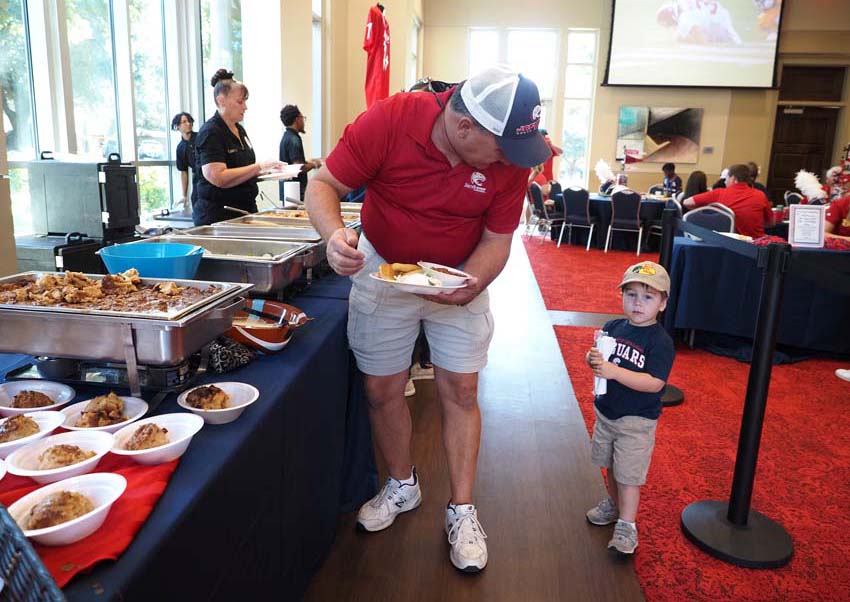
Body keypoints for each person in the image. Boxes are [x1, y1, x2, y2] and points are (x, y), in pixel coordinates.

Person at [304, 65, 551, 572]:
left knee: (461, 391)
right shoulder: (390, 121)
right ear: (465, 129)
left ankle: (461, 509)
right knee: (381, 389)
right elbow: (322, 184)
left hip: (460, 274)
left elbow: (497, 242)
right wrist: (333, 236)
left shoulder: (510, 159)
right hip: (382, 265)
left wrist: (472, 282)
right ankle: (402, 484)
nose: (510, 161)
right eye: (503, 149)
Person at [585, 261, 675, 555]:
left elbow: (654, 384)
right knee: (609, 464)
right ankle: (613, 505)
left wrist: (613, 372)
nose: (638, 303)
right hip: (607, 411)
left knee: (629, 475)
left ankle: (627, 524)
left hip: (636, 421)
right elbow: (602, 360)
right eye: (631, 294)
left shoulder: (660, 342)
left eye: (648, 297)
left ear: (662, 304)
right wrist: (594, 361)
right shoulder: (613, 327)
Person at [193, 68, 284, 226]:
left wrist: (266, 172)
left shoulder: (239, 130)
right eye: (240, 102)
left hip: (244, 210)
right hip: (220, 216)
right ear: (221, 100)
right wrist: (258, 167)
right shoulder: (211, 132)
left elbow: (240, 170)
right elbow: (217, 177)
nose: (245, 107)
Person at [683, 163, 772, 238]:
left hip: (728, 244)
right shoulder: (760, 195)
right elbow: (770, 223)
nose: (725, 182)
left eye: (726, 178)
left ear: (733, 178)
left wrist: (709, 210)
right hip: (755, 247)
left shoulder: (719, 193)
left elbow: (687, 202)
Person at [279, 105, 322, 202]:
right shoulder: (294, 139)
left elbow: (291, 162)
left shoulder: (286, 137)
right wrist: (315, 164)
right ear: (297, 119)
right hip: (295, 193)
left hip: (288, 192)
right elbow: (299, 168)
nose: (303, 122)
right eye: (303, 118)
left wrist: (308, 162)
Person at [172, 112, 199, 213]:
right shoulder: (180, 148)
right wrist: (184, 195)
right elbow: (184, 171)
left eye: (189, 121)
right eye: (184, 122)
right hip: (197, 178)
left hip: (209, 174)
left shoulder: (200, 137)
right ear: (178, 126)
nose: (188, 124)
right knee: (195, 200)